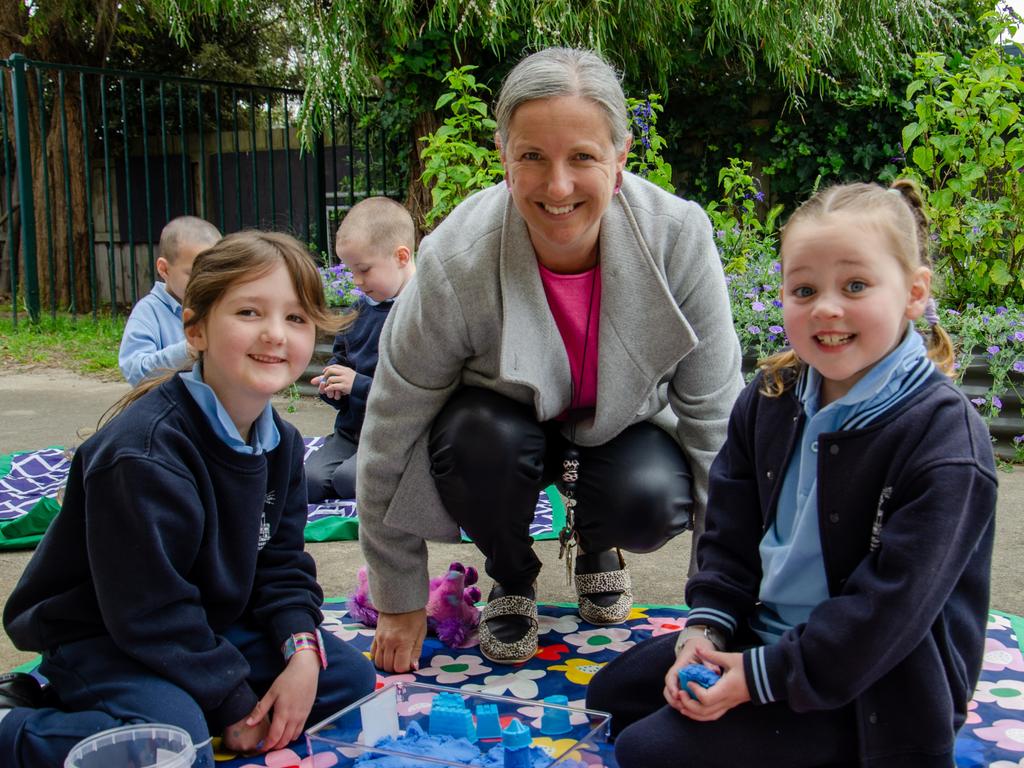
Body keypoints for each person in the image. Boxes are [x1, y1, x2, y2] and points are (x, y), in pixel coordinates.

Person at [585, 180, 998, 768]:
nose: (826, 308)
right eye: (804, 289)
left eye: (855, 286)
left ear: (913, 293)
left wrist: (755, 679)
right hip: (767, 637)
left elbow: (887, 614)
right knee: (614, 697)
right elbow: (728, 540)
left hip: (874, 685)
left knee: (649, 751)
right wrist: (705, 635)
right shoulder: (771, 398)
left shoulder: (945, 438)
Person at [357, 46, 743, 672]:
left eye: (583, 157)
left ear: (618, 162)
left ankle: (599, 545)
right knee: (479, 438)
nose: (557, 186)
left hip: (620, 435)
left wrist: (717, 611)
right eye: (532, 156)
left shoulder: (679, 238)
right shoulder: (456, 258)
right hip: (497, 436)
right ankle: (512, 575)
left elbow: (718, 428)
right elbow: (390, 424)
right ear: (505, 161)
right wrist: (397, 593)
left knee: (648, 496)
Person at [0, 231, 376, 768]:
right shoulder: (142, 453)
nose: (274, 334)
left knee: (346, 683)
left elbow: (282, 566)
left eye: (295, 318)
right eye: (249, 311)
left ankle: (156, 701)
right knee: (178, 743)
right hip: (106, 635)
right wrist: (233, 705)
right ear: (195, 328)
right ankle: (16, 723)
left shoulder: (283, 445)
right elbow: (149, 609)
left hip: (208, 625)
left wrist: (302, 651)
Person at [305, 197, 417, 503]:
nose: (356, 281)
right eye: (351, 271)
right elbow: (340, 359)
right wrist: (332, 389)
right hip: (353, 433)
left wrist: (358, 384)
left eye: (364, 270)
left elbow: (417, 395)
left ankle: (414, 475)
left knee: (348, 482)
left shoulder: (421, 313)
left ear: (401, 256)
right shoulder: (359, 311)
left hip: (397, 438)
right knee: (309, 483)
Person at [118, 215, 222, 385]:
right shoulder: (149, 311)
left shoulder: (219, 307)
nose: (206, 281)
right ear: (164, 269)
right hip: (169, 408)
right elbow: (135, 371)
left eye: (214, 272)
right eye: (193, 273)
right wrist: (188, 351)